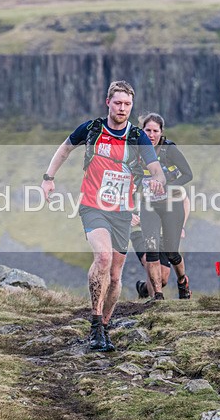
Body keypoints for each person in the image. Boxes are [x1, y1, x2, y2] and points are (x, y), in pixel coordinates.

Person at [40, 81, 166, 352]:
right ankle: (95, 325)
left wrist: (157, 179)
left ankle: (105, 328)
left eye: (127, 105)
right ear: (107, 102)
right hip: (93, 205)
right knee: (103, 257)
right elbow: (64, 149)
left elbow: (156, 168)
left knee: (116, 275)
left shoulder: (137, 137)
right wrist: (49, 178)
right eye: (118, 103)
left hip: (122, 211)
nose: (122, 108)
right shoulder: (92, 129)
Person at [138, 113, 193, 300]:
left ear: (161, 132)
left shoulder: (170, 150)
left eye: (155, 131)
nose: (151, 135)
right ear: (142, 131)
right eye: (147, 130)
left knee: (171, 252)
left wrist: (168, 186)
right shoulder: (137, 149)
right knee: (151, 247)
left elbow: (188, 174)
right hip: (148, 205)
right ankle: (158, 297)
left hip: (172, 205)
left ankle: (182, 282)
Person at [129, 196, 190, 298]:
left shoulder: (165, 182)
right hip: (138, 231)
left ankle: (143, 288)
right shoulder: (132, 180)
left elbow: (185, 200)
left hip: (162, 232)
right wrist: (128, 215)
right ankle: (156, 300)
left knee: (163, 279)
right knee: (149, 260)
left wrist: (181, 226)